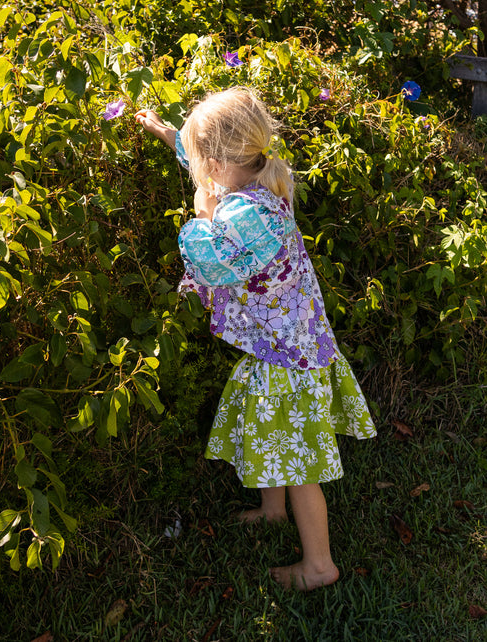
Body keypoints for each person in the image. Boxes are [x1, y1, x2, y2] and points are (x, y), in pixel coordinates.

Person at [135, 87, 377, 591]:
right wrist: (168, 135)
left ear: (219, 163)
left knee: (300, 462)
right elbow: (211, 170)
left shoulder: (248, 216)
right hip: (283, 345)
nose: (200, 172)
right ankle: (272, 510)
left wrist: (202, 213)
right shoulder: (260, 177)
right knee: (270, 431)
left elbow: (212, 260)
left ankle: (318, 566)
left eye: (200, 160)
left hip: (289, 357)